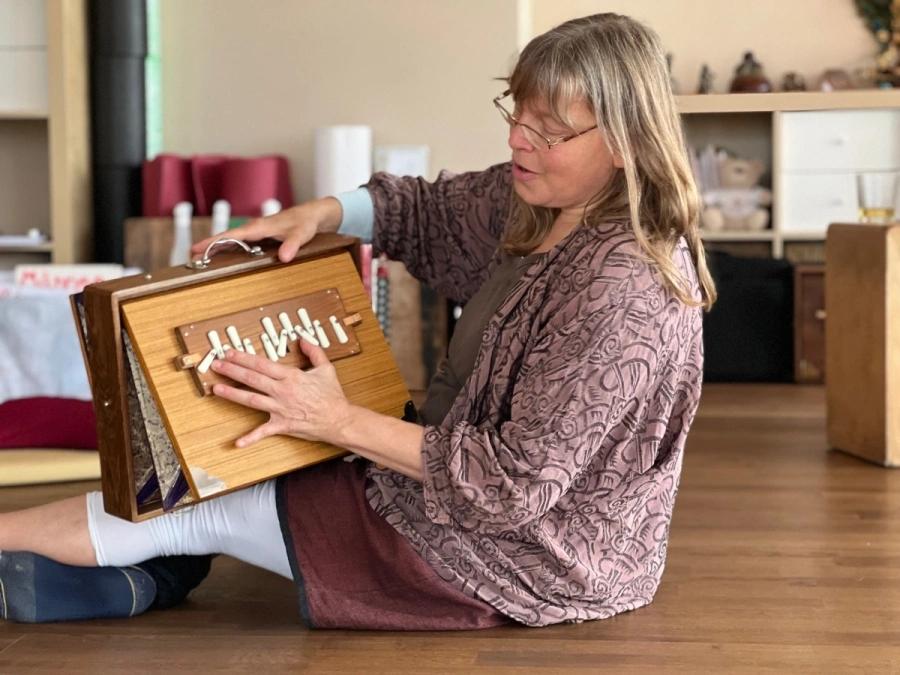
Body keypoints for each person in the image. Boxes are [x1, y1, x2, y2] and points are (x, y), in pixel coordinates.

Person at [0, 12, 715, 629]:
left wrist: (336, 420)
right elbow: (424, 210)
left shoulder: (622, 287)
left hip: (523, 555)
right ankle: (146, 577)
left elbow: (509, 487)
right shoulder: (544, 200)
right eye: (516, 114)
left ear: (625, 142)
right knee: (226, 469)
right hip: (456, 489)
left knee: (201, 502)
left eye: (549, 130)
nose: (517, 142)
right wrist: (320, 213)